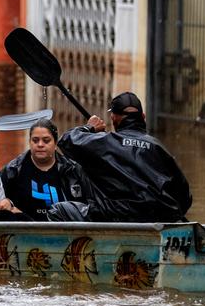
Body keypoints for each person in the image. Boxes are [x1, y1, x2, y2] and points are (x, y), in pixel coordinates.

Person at [49, 92, 192, 223]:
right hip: (156, 217)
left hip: (112, 216)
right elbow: (184, 197)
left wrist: (89, 128)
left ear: (113, 118)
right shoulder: (158, 147)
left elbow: (66, 141)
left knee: (58, 211)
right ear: (143, 117)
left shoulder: (104, 142)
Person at [0, 118, 95, 221]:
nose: (40, 144)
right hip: (24, 234)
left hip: (66, 234)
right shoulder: (12, 171)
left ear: (55, 144)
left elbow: (90, 207)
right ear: (29, 142)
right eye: (35, 140)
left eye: (46, 140)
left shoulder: (73, 170)